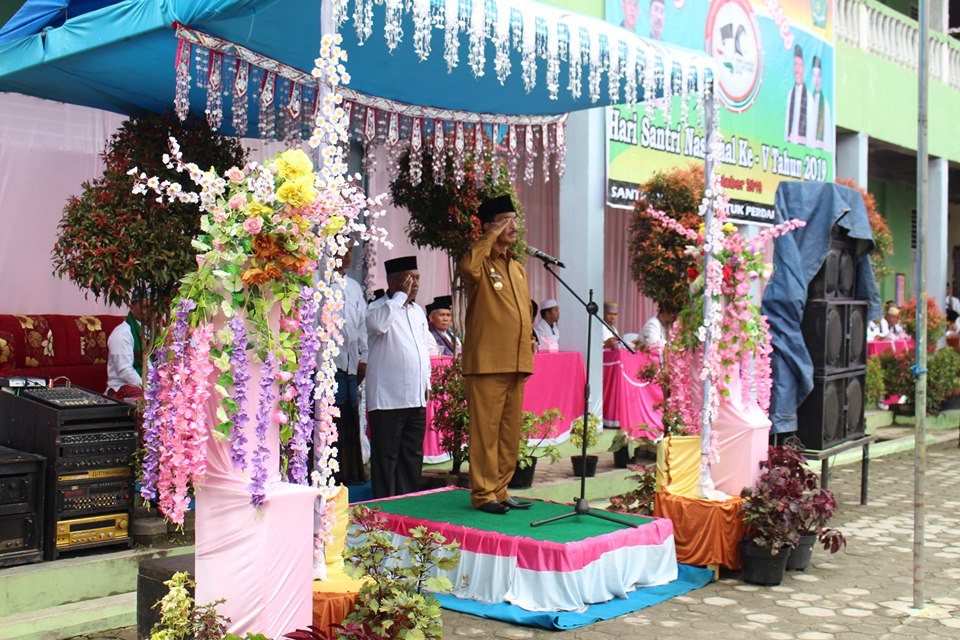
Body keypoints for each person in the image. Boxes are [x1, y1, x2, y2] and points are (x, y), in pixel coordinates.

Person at [459, 194, 535, 515]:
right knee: (485, 433)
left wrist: (529, 336)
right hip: (487, 363)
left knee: (509, 432)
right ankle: (483, 493)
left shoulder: (516, 267)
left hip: (516, 361)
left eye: (514, 219)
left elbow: (522, 311)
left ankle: (501, 490)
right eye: (505, 220)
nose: (512, 225)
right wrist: (489, 236)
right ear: (490, 226)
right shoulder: (480, 264)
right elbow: (467, 267)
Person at [365, 256, 432, 499]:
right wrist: (400, 296)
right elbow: (380, 326)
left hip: (416, 398)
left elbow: (423, 350)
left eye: (417, 278)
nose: (415, 283)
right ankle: (384, 505)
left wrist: (426, 383)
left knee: (412, 455)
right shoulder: (377, 308)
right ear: (393, 281)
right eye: (409, 278)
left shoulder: (418, 312)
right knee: (387, 456)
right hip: (387, 399)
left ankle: (409, 502)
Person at [326, 247, 367, 485]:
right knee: (333, 419)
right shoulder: (318, 283)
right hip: (330, 365)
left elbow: (361, 326)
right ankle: (331, 474)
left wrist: (364, 357)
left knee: (350, 419)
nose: (348, 256)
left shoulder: (353, 286)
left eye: (351, 250)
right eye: (344, 250)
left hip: (351, 364)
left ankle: (350, 473)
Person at [106, 295, 147, 401]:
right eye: (145, 307)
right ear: (132, 308)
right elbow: (125, 372)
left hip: (149, 384)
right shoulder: (121, 334)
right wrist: (148, 389)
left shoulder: (154, 330)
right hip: (122, 386)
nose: (149, 312)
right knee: (143, 400)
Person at [785, 44, 812, 145]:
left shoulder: (809, 98)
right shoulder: (790, 95)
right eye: (795, 64)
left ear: (805, 68)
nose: (797, 70)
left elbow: (811, 133)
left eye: (800, 65)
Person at [807, 56, 831, 149]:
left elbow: (828, 141)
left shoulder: (825, 105)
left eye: (819, 76)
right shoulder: (807, 100)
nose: (816, 80)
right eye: (814, 75)